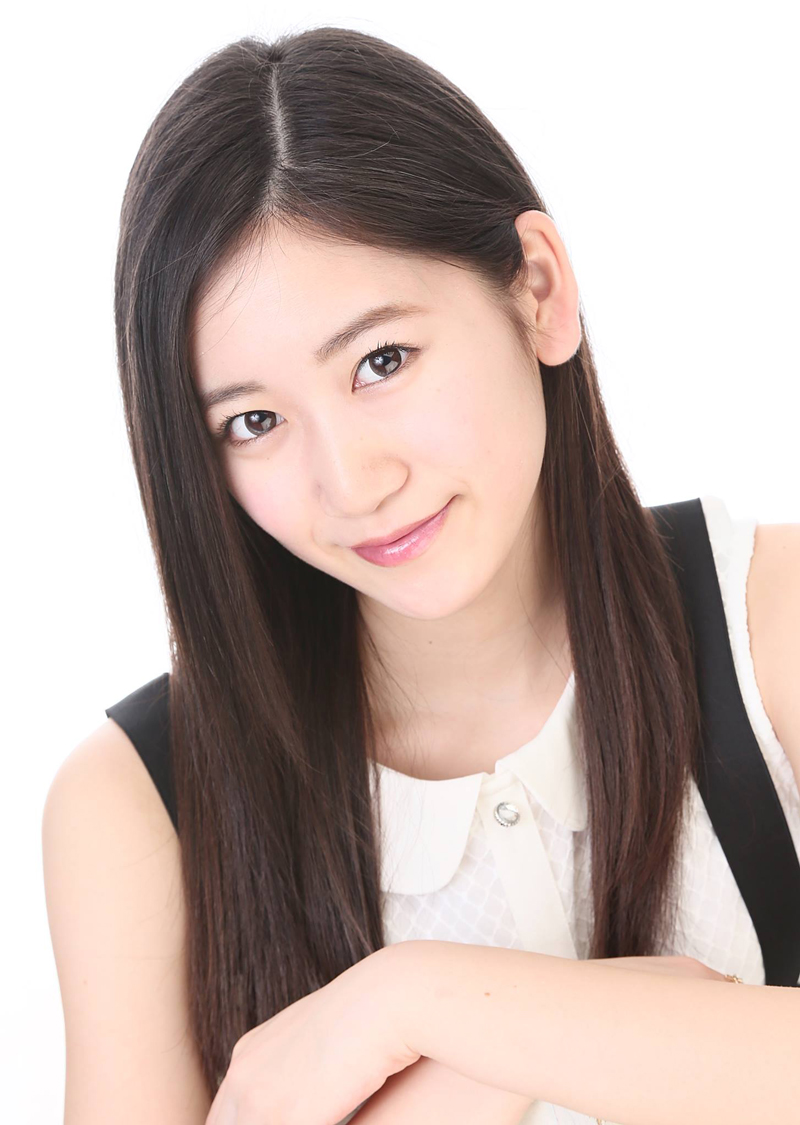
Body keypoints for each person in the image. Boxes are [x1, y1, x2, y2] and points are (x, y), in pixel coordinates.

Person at [41, 26, 800, 1125]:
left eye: (381, 361)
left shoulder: (766, 623)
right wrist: (492, 1065)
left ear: (537, 292)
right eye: (253, 422)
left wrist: (411, 1003)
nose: (352, 482)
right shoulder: (139, 804)